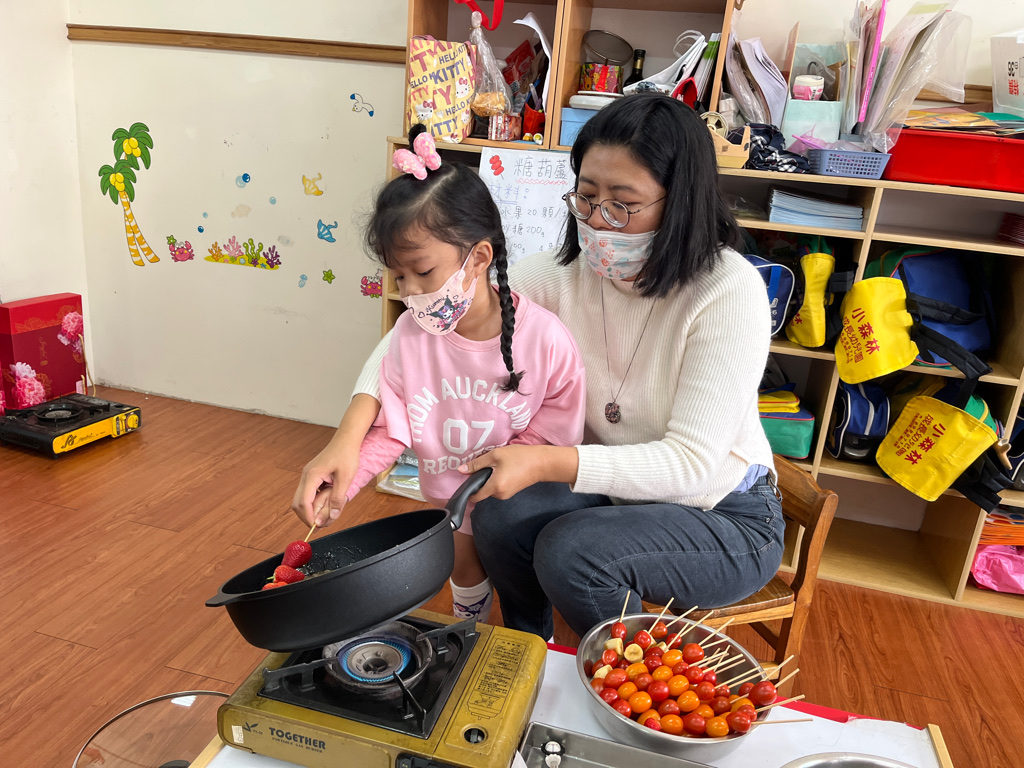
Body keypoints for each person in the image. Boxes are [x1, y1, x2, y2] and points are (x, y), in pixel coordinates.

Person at [295, 94, 784, 640]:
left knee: (572, 552)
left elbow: (690, 465)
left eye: (622, 205)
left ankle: (627, 673)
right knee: (498, 509)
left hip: (720, 513)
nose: (597, 222)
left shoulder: (727, 291)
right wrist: (347, 438)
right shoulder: (562, 275)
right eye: (587, 197)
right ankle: (529, 647)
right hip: (611, 497)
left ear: (682, 202)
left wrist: (544, 462)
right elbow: (413, 334)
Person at [292, 124, 586, 622]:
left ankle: (527, 638)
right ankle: (471, 634)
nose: (409, 291)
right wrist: (343, 486)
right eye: (398, 276)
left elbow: (556, 434)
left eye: (423, 272)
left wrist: (496, 473)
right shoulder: (411, 335)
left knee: (518, 579)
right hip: (447, 496)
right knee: (463, 571)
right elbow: (392, 427)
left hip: (514, 496)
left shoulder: (546, 340)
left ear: (479, 258)